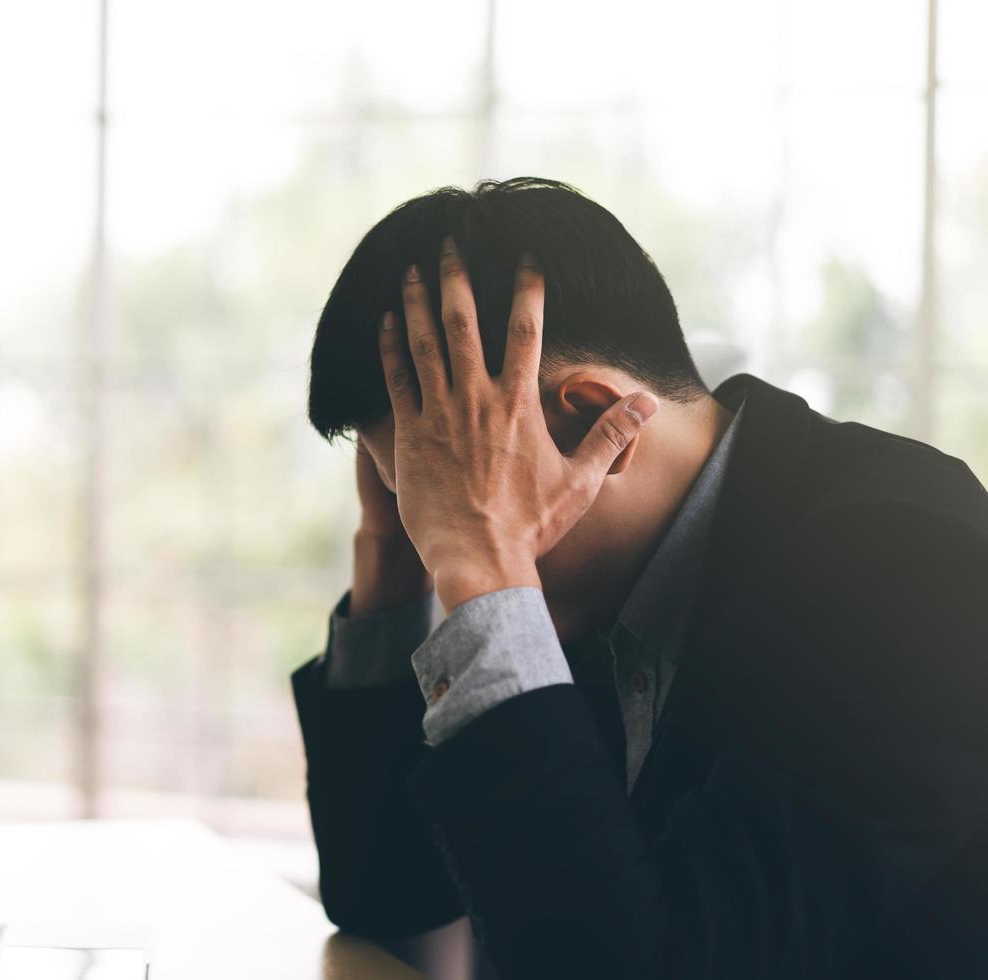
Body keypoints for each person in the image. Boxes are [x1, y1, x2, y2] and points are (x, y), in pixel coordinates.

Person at [293, 177, 988, 978]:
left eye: (442, 494)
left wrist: (488, 569)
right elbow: (386, 895)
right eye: (415, 497)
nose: (436, 537)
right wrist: (390, 556)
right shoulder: (592, 578)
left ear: (596, 421)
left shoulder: (910, 566)